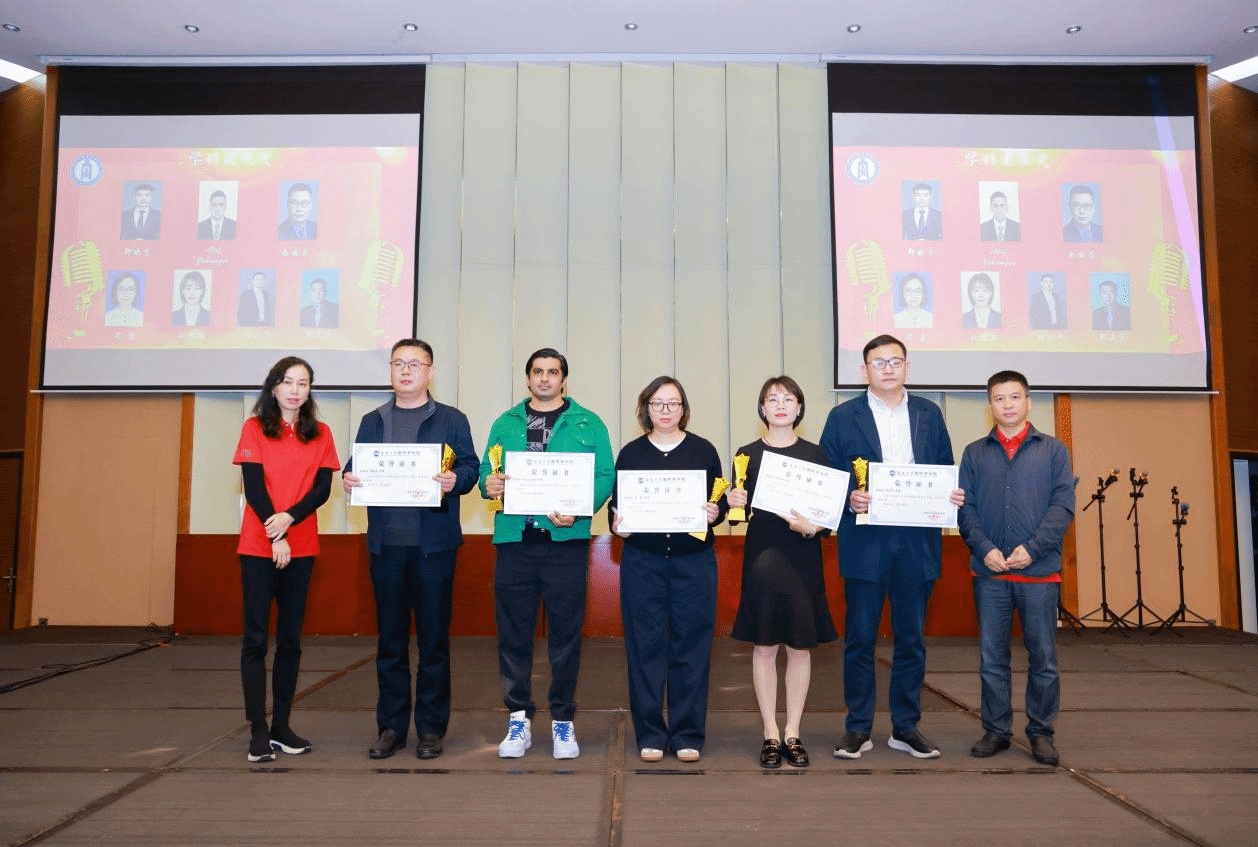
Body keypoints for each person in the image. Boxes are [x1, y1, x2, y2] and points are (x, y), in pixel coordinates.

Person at [820, 334, 964, 760]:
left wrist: (951, 494)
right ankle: (858, 728)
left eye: (895, 361)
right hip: (865, 540)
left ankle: (906, 727)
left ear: (907, 367)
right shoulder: (842, 417)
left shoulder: (928, 413)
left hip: (917, 541)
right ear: (864, 370)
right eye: (878, 362)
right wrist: (849, 497)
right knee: (860, 638)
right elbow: (829, 475)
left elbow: (943, 467)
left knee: (911, 639)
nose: (887, 368)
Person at [342, 339, 479, 761]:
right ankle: (391, 727)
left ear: (430, 372)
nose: (405, 371)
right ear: (390, 370)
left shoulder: (451, 419)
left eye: (415, 364)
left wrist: (457, 480)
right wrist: (348, 478)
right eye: (398, 363)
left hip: (433, 549)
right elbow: (355, 467)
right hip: (387, 547)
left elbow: (471, 467)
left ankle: (431, 729)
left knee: (434, 643)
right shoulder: (373, 420)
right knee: (390, 643)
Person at [479, 348, 614, 760]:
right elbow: (487, 471)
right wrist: (489, 484)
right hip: (515, 541)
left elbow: (605, 474)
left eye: (552, 372)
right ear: (528, 379)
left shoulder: (589, 423)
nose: (544, 378)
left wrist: (581, 508)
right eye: (537, 371)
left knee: (565, 637)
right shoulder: (505, 422)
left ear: (563, 380)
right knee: (513, 636)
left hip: (564, 543)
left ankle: (562, 721)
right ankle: (518, 717)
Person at [957, 370, 1074, 766]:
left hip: (1039, 574)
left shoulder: (1053, 451)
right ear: (990, 405)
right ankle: (996, 730)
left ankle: (1041, 732)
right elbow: (966, 509)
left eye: (1014, 397)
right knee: (992, 659)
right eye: (998, 398)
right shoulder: (974, 453)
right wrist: (984, 548)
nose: (1006, 404)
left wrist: (1033, 549)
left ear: (1028, 402)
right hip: (989, 573)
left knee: (1043, 659)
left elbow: (1063, 507)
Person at [610, 376, 726, 764]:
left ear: (683, 409)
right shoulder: (631, 454)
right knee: (644, 647)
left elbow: (720, 504)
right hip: (642, 563)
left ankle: (687, 733)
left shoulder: (703, 451)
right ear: (646, 408)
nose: (665, 410)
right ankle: (650, 734)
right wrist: (618, 525)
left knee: (692, 646)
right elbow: (617, 507)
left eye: (673, 403)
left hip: (694, 562)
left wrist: (716, 511)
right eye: (657, 403)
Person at [232, 356, 340, 762]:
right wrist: (275, 532)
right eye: (288, 382)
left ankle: (281, 726)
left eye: (304, 383)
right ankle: (258, 729)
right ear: (273, 387)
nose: (295, 390)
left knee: (291, 641)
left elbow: (322, 490)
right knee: (256, 639)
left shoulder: (322, 433)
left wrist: (290, 520)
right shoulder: (254, 427)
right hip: (258, 546)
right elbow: (254, 487)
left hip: (303, 545)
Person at [728, 376, 838, 770]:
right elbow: (736, 516)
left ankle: (793, 731)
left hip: (803, 556)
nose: (779, 405)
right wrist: (733, 500)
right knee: (764, 646)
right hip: (763, 556)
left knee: (799, 647)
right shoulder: (747, 454)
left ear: (799, 408)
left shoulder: (816, 454)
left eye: (788, 399)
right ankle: (770, 732)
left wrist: (812, 527)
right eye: (772, 399)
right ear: (762, 408)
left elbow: (828, 517)